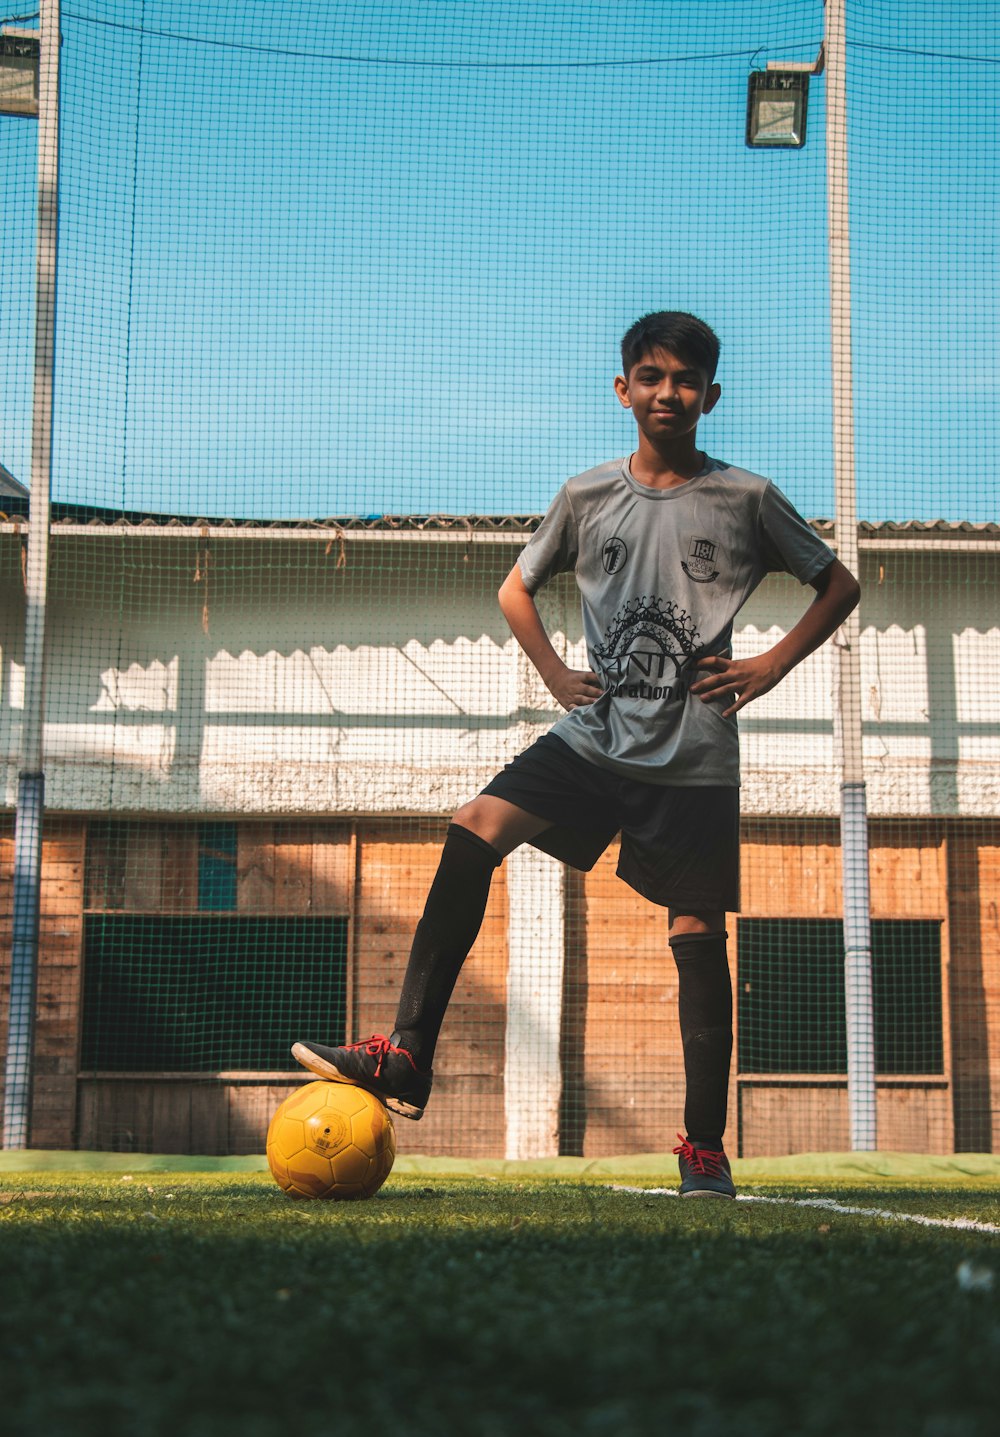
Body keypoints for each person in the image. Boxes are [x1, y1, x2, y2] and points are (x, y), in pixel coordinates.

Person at [293, 311, 860, 1198]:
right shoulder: (587, 496)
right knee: (474, 826)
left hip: (695, 753)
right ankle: (406, 1056)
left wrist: (770, 664)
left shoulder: (746, 498)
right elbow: (516, 588)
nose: (666, 392)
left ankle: (703, 1148)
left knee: (696, 930)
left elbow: (839, 582)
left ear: (711, 395)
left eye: (684, 380)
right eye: (649, 375)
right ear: (623, 388)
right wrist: (556, 671)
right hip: (595, 740)